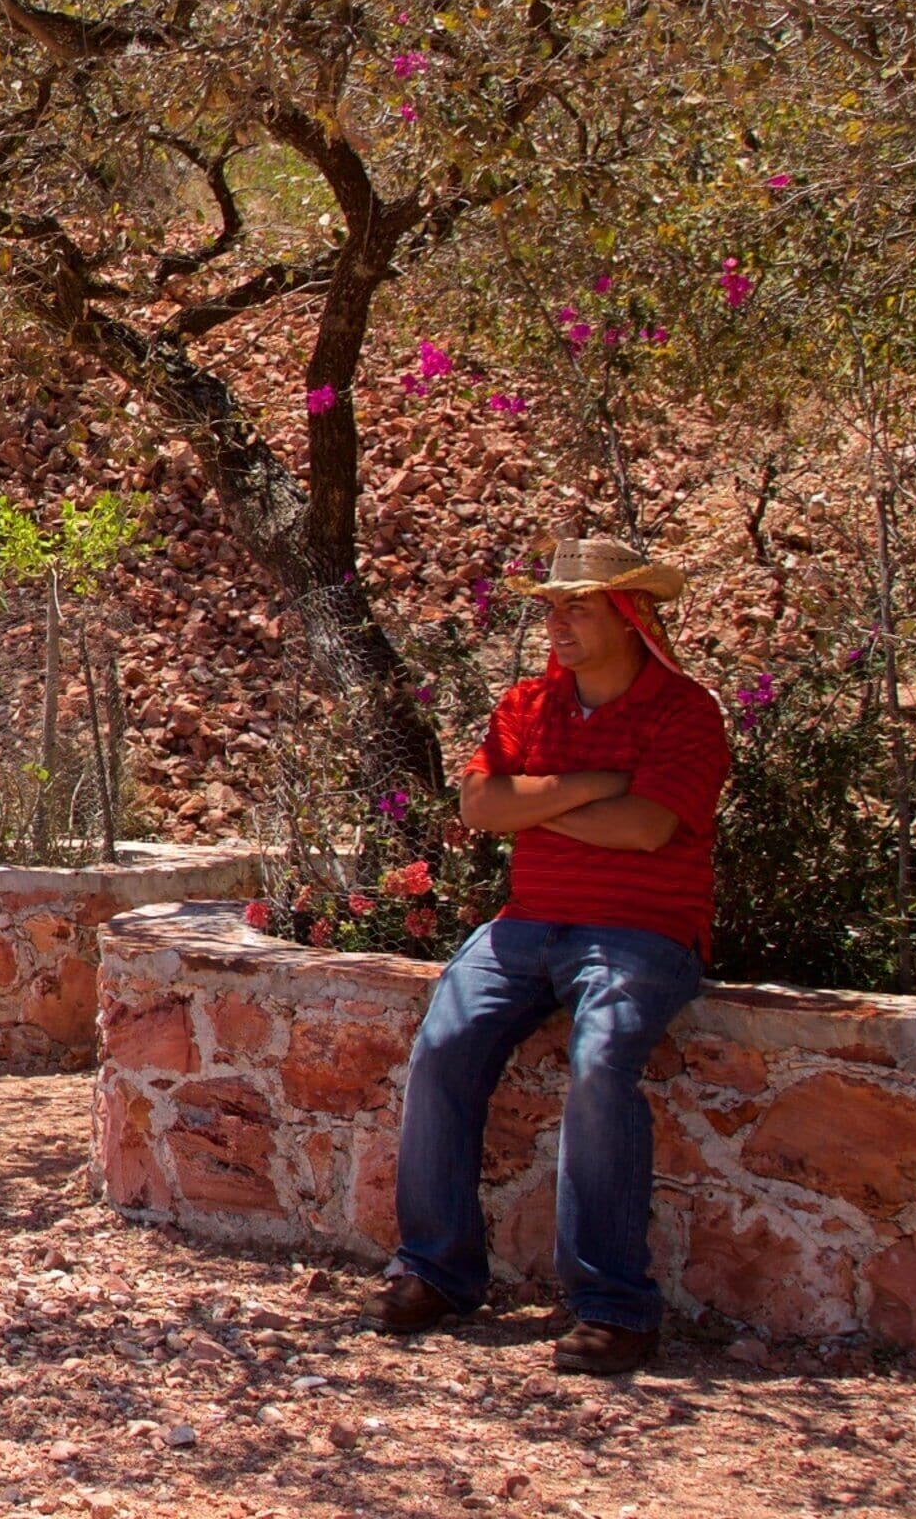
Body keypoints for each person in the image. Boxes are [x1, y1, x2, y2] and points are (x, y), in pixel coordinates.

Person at [374, 537, 731, 1376]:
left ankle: (613, 1306)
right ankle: (436, 1270)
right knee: (444, 1045)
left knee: (603, 1062)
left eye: (579, 604)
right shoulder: (529, 705)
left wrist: (532, 807)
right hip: (527, 924)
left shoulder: (687, 710)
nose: (558, 620)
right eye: (553, 605)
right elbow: (478, 804)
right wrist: (598, 785)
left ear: (630, 614)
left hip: (642, 934)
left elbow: (647, 829)